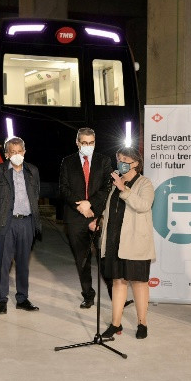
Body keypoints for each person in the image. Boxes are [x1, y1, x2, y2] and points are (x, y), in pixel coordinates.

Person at [91, 147, 155, 339]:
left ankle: (142, 323)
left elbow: (144, 206)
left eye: (125, 159)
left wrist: (123, 189)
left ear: (136, 162)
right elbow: (111, 209)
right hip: (113, 241)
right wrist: (99, 220)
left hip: (135, 242)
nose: (121, 162)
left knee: (139, 283)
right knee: (118, 282)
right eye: (119, 159)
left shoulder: (144, 183)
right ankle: (115, 324)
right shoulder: (113, 184)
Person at [59, 127, 118, 309]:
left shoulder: (104, 161)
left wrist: (89, 204)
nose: (87, 146)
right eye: (84, 143)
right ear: (77, 143)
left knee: (105, 258)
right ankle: (88, 295)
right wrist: (80, 206)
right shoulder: (67, 162)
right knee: (82, 259)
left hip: (97, 216)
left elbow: (107, 187)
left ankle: (114, 294)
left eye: (91, 143)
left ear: (95, 142)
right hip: (76, 218)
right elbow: (63, 188)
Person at [0, 136, 41, 314]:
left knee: (23, 263)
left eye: (19, 152)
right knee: (3, 262)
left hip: (26, 222)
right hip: (6, 223)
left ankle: (22, 298)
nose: (17, 155)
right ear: (6, 154)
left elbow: (36, 195)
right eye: (13, 152)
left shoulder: (32, 171)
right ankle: (2, 299)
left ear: (24, 152)